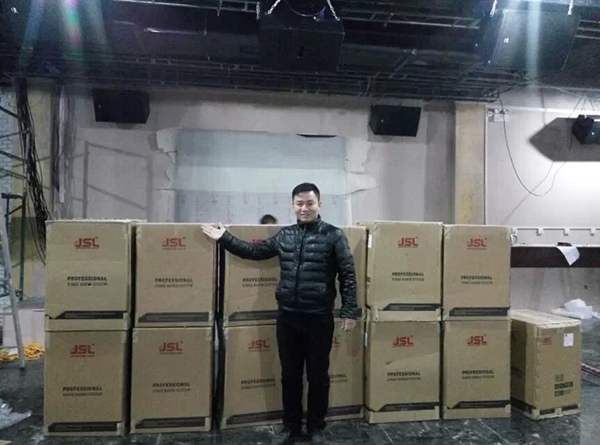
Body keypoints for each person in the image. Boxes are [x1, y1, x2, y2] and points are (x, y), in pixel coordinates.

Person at [201, 183, 357, 445]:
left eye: (310, 203)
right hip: (288, 317)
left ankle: (316, 429)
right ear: (293, 206)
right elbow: (255, 251)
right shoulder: (285, 235)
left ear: (319, 204)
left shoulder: (334, 235)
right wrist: (225, 237)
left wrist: (350, 310)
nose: (304, 208)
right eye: (299, 203)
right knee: (289, 375)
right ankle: (291, 427)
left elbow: (348, 274)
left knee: (318, 376)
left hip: (319, 317)